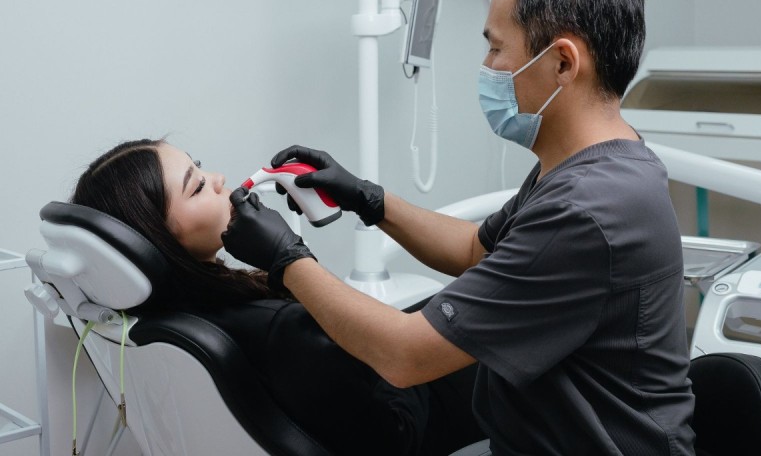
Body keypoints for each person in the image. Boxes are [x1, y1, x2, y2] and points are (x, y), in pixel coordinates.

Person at [221, 0, 697, 455]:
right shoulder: (589, 168)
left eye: (496, 47)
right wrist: (368, 199)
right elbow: (476, 249)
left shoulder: (588, 208)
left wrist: (286, 259)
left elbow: (405, 356)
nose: (487, 65)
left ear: (563, 62)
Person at [71, 138, 485, 456]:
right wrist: (294, 264)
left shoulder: (171, 318)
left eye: (200, 167)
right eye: (197, 187)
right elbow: (394, 442)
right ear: (158, 240)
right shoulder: (281, 329)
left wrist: (366, 199)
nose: (218, 179)